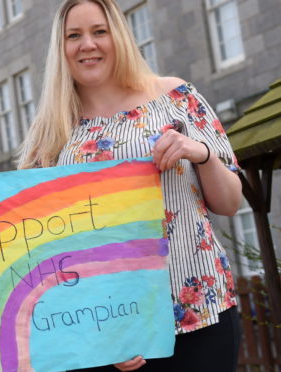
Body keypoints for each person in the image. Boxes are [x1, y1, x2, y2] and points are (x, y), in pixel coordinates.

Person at [18, 1, 242, 371]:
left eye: (99, 31)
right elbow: (46, 248)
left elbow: (231, 203)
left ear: (118, 36)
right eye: (73, 35)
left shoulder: (176, 96)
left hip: (203, 311)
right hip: (115, 334)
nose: (87, 44)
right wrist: (99, 332)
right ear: (60, 49)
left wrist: (199, 153)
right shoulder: (50, 136)